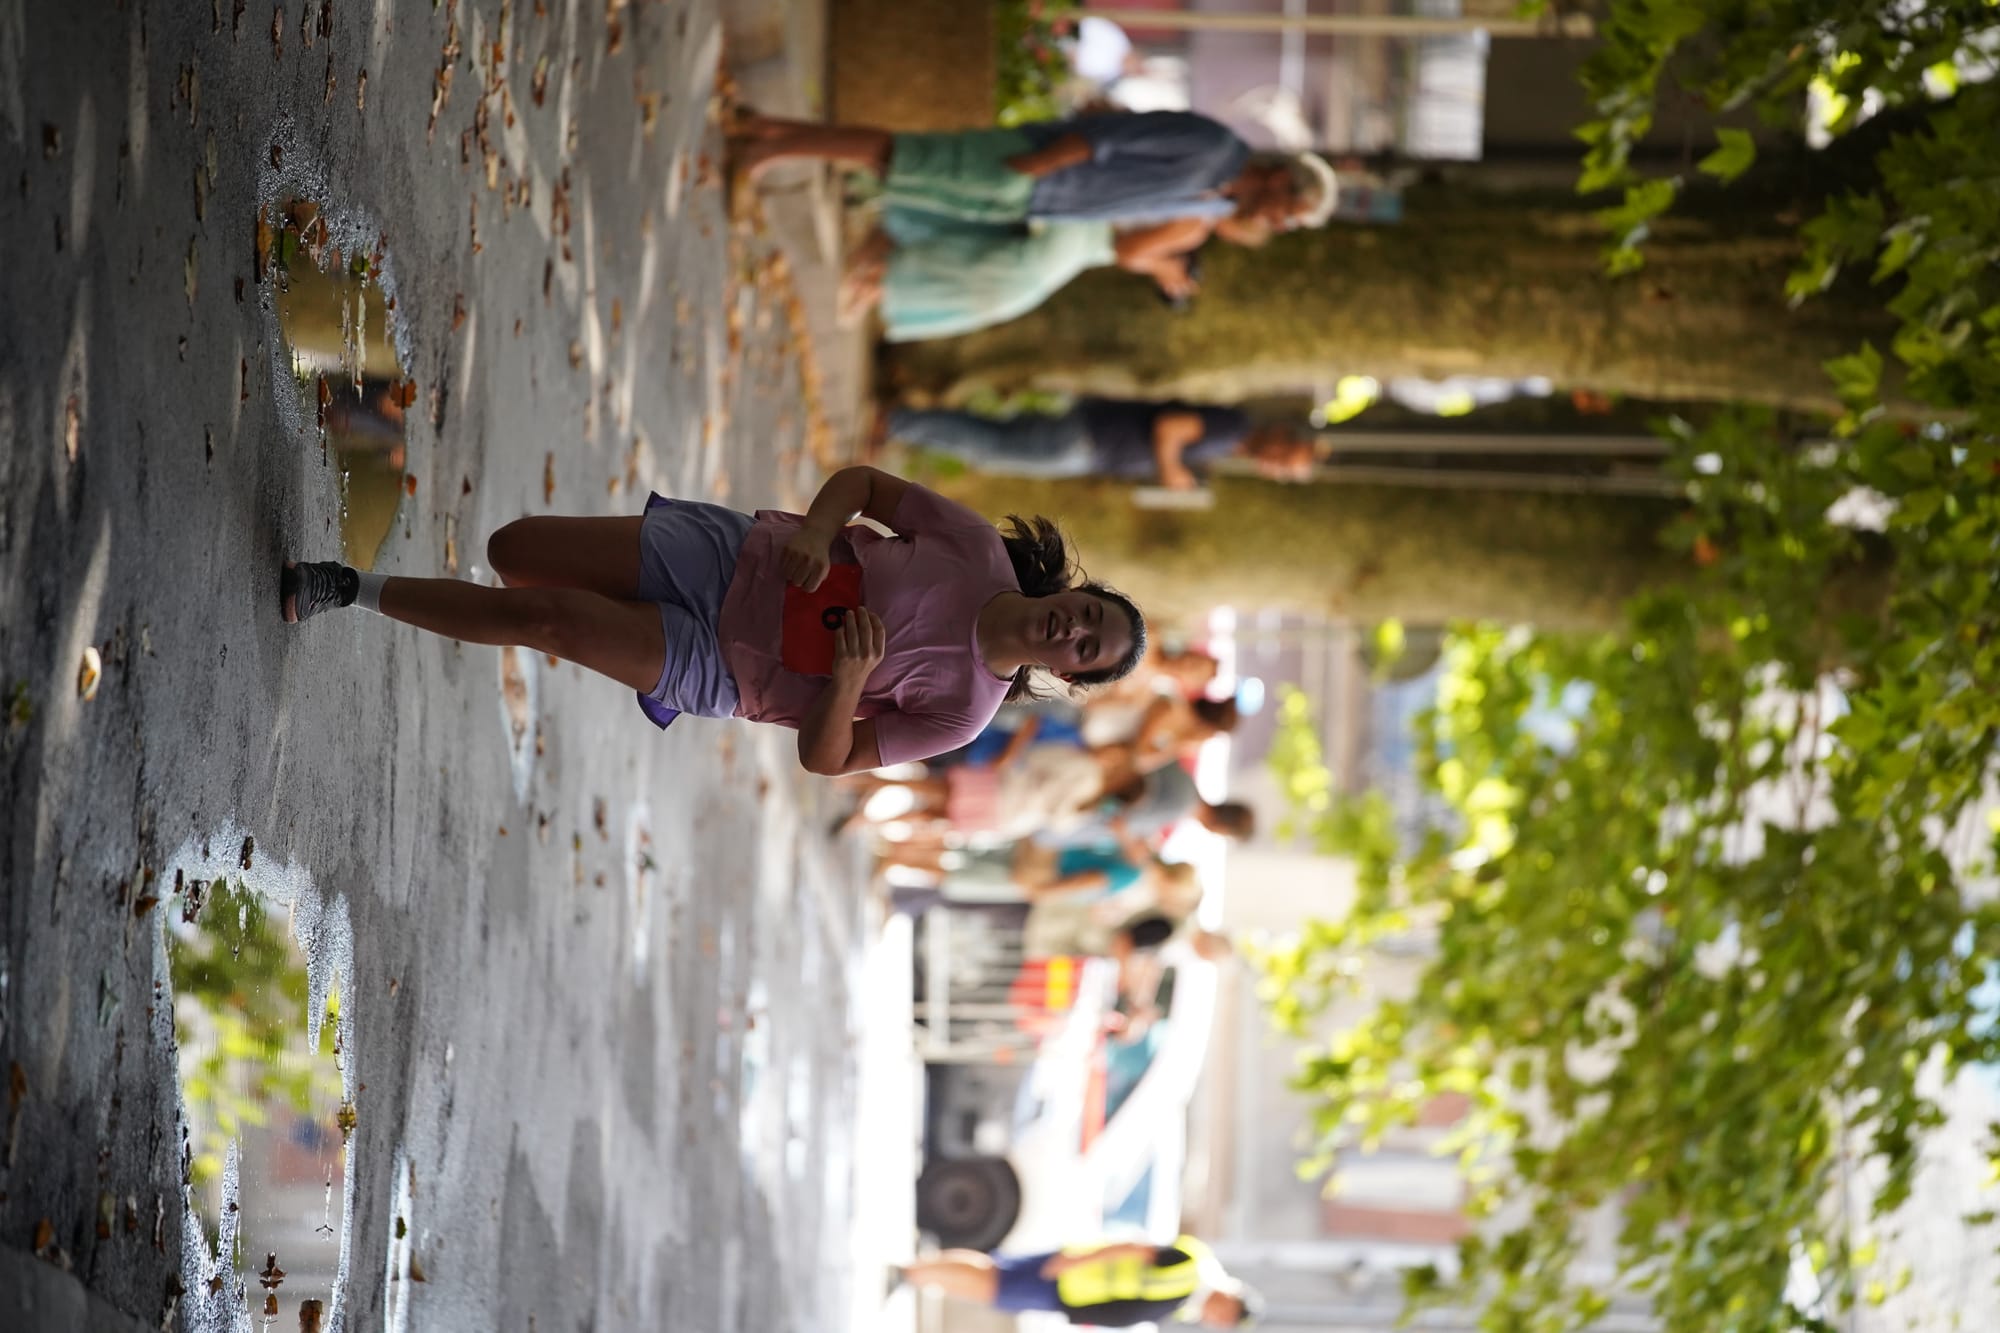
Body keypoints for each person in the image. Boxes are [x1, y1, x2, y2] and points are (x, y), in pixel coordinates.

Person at [279, 466, 1146, 773]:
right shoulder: (974, 551)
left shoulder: (963, 710)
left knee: (544, 619)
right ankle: (432, 595)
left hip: (733, 669)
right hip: (736, 557)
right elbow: (866, 486)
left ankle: (345, 586)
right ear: (1076, 593)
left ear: (1068, 675)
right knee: (516, 548)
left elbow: (828, 757)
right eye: (1087, 615)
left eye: (1086, 648)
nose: (1073, 630)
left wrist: (847, 678)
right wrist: (814, 531)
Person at [733, 109, 1338, 327]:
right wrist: (1036, 165)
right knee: (900, 156)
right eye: (1292, 212)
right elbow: (1107, 135)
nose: (1281, 223)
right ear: (1283, 180)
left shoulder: (1217, 196)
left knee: (901, 167)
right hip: (1033, 172)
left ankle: (769, 130)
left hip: (1041, 201)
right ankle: (769, 149)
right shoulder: (1213, 147)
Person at [877, 399, 1317, 490]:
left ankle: (903, 421)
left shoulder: (1232, 443)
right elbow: (1170, 428)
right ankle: (898, 422)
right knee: (989, 447)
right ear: (1281, 435)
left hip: (1092, 442)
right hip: (1091, 438)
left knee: (993, 440)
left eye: (1284, 468)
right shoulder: (1233, 428)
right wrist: (1171, 472)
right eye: (1285, 454)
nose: (1275, 463)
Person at [891, 1234, 1260, 1328]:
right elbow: (1134, 1248)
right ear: (1231, 1300)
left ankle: (921, 1274)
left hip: (1069, 1296)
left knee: (994, 1282)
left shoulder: (1188, 1306)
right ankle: (916, 1273)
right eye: (1227, 1318)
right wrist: (1074, 1260)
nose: (1219, 1323)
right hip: (1069, 1277)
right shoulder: (1194, 1269)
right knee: (994, 1283)